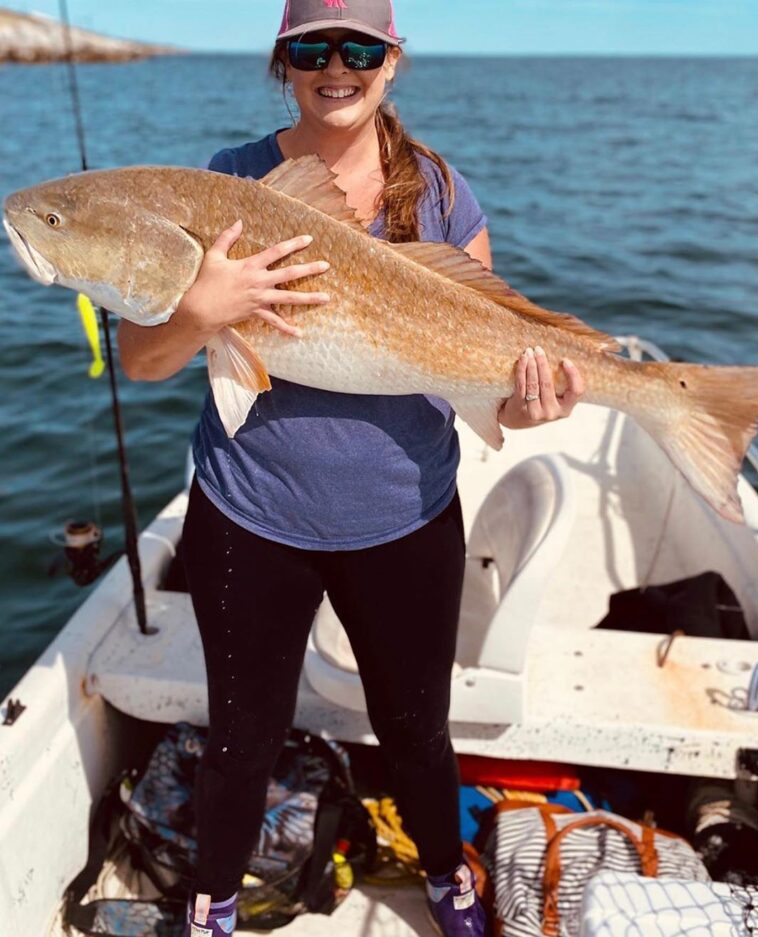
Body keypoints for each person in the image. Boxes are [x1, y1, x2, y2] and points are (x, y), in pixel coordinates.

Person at [118, 1, 585, 934]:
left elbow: (491, 372)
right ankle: (212, 904)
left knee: (417, 730)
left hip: (405, 516)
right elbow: (142, 360)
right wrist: (204, 310)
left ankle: (448, 879)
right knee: (240, 737)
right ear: (282, 62)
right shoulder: (226, 183)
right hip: (248, 517)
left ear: (393, 62)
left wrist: (531, 404)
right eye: (312, 48)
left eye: (360, 47)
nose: (338, 65)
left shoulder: (445, 196)